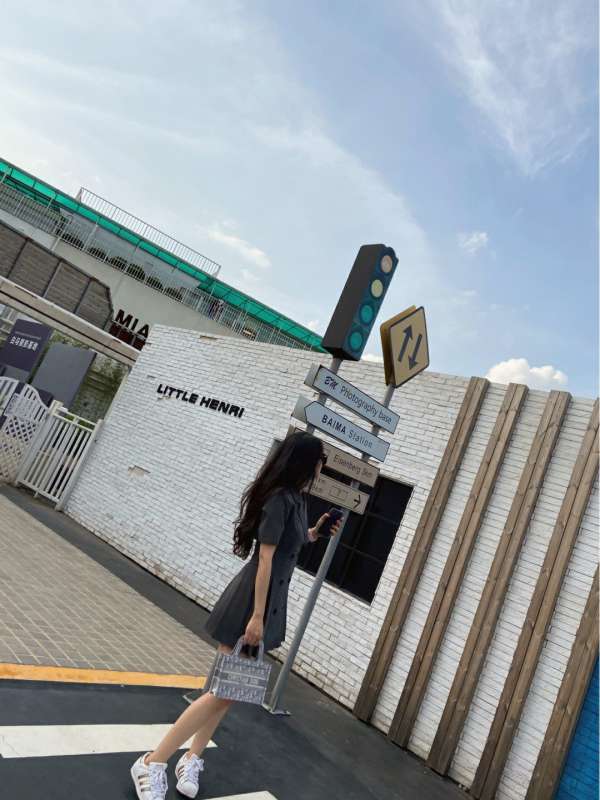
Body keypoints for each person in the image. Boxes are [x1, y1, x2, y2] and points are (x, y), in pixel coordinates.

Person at [131, 431, 341, 800]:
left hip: (265, 604)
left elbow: (291, 542)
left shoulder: (296, 499)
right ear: (306, 462)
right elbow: (265, 559)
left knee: (227, 691)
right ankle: (152, 762)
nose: (322, 467)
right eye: (321, 459)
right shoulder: (279, 499)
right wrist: (257, 617)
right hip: (251, 604)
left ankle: (191, 758)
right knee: (223, 691)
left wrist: (315, 532)